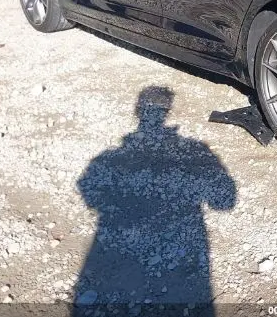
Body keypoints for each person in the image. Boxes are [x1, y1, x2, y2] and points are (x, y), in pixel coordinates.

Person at [74, 86, 236, 315]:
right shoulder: (196, 150)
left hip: (122, 254)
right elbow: (224, 202)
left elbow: (88, 189)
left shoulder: (107, 158)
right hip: (186, 254)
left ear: (137, 111)